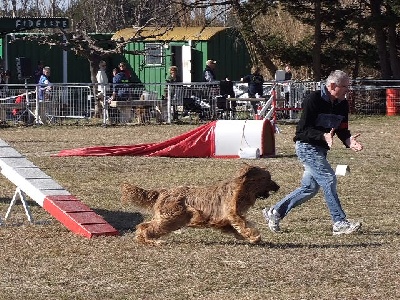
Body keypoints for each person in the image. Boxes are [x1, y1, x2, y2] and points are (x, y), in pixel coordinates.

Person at [262, 70, 363, 236]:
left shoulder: (342, 104)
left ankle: (275, 212)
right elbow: (302, 131)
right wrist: (322, 135)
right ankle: (339, 222)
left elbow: (342, 129)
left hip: (321, 150)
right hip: (306, 147)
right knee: (329, 179)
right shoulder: (313, 99)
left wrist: (349, 141)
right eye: (344, 86)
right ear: (332, 86)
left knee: (309, 188)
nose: (347, 90)